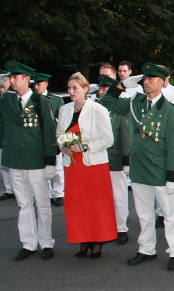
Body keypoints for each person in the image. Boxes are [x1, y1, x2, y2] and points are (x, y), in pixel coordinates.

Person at [100, 62, 174, 271]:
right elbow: (107, 101)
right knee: (144, 213)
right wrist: (120, 85)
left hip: (160, 169)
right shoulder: (134, 103)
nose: (146, 82)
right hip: (139, 168)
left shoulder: (170, 110)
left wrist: (173, 177)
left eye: (151, 79)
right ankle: (147, 248)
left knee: (169, 214)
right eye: (144, 78)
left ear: (162, 82)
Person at [57, 72, 117, 259]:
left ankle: (97, 241)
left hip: (93, 165)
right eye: (69, 88)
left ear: (85, 89)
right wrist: (63, 147)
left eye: (75, 88)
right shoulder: (64, 109)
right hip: (73, 166)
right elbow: (59, 135)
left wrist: (83, 146)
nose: (71, 91)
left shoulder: (97, 109)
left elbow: (108, 139)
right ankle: (82, 239)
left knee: (96, 204)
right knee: (78, 205)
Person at [2, 60, 57, 261]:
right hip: (15, 160)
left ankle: (46, 242)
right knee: (23, 204)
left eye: (14, 78)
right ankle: (28, 243)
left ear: (26, 79)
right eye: (10, 78)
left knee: (42, 204)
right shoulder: (7, 101)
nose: (11, 81)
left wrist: (51, 162)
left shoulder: (41, 101)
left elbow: (49, 133)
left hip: (36, 161)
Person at [96, 74, 130, 245]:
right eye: (101, 88)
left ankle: (121, 228)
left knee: (119, 196)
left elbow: (125, 135)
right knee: (100, 197)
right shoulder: (94, 108)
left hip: (114, 159)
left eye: (105, 88)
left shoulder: (117, 110)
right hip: (96, 160)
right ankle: (105, 227)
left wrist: (126, 160)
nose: (101, 91)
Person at [33, 72, 65, 207]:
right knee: (41, 168)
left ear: (46, 84)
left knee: (57, 167)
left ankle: (58, 193)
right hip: (37, 139)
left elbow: (61, 120)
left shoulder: (56, 99)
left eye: (38, 84)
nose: (35, 87)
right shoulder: (32, 99)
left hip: (53, 138)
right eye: (34, 84)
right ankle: (46, 193)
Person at [0, 71, 14, 201]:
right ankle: (9, 189)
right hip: (2, 136)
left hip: (14, 135)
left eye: (3, 80)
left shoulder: (14, 95)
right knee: (3, 164)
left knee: (15, 163)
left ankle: (17, 188)